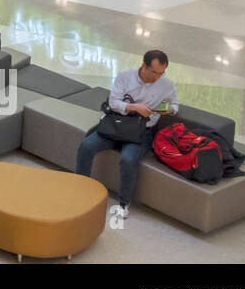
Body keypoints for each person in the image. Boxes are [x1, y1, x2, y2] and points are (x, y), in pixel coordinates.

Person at [75, 50, 178, 219]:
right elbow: (113, 103)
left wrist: (171, 110)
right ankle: (79, 187)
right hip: (115, 125)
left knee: (128, 159)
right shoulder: (125, 77)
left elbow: (175, 104)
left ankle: (123, 203)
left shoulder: (166, 85)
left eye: (162, 73)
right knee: (86, 146)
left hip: (141, 131)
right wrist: (135, 107)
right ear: (143, 65)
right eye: (154, 72)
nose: (158, 77)